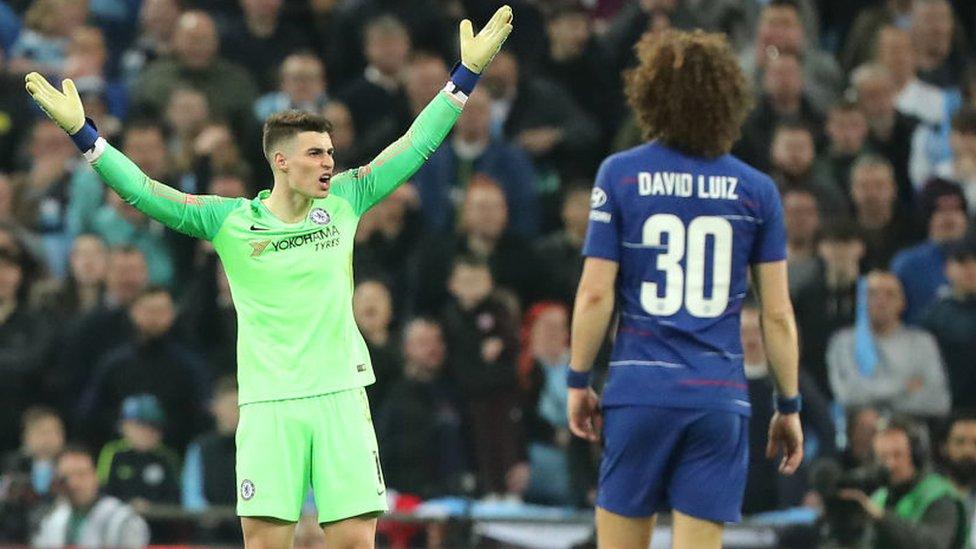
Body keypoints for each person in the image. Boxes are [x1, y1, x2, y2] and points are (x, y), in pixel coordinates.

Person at [24, 7, 513, 548]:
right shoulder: (230, 220)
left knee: (354, 541)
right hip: (268, 403)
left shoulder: (348, 198)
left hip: (341, 395)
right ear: (281, 161)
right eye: (315, 153)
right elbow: (143, 190)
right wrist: (83, 133)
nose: (330, 162)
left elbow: (415, 145)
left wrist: (463, 78)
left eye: (331, 152)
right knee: (264, 545)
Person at [567, 29, 803, 549]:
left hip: (639, 392)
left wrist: (577, 380)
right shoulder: (757, 191)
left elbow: (594, 295)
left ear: (649, 96)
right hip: (717, 399)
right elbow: (778, 315)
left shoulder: (620, 175)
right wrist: (789, 406)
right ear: (729, 100)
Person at [827, 270, 951, 419]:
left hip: (913, 425)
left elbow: (938, 401)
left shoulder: (922, 342)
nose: (881, 301)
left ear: (903, 302)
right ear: (859, 301)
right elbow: (847, 395)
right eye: (872, 294)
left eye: (890, 294)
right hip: (862, 427)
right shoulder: (843, 342)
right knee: (867, 419)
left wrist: (878, 400)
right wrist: (904, 387)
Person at [838, 417, 968, 549]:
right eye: (883, 457)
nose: (890, 465)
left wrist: (881, 516)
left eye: (897, 455)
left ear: (916, 455)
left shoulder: (940, 496)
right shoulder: (879, 497)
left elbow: (932, 545)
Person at [32, 445, 149, 549]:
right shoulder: (51, 520)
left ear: (95, 476)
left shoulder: (123, 518)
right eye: (66, 477)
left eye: (81, 474)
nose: (74, 483)